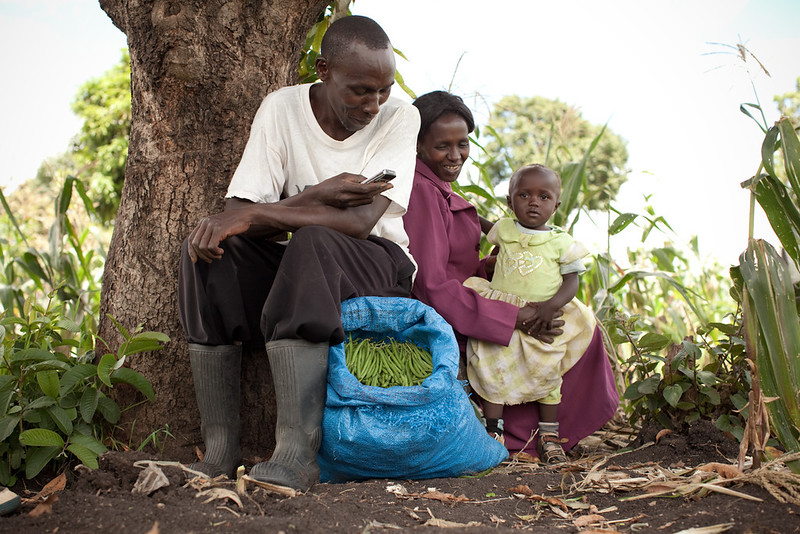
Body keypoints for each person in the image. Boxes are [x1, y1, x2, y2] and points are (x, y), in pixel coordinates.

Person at [177, 16, 420, 491]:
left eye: (383, 90)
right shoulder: (282, 108)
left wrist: (271, 213)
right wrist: (317, 196)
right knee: (210, 252)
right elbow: (237, 212)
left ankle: (296, 453)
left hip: (379, 262)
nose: (374, 105)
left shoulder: (400, 117)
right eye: (359, 91)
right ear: (323, 69)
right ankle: (221, 449)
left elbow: (357, 223)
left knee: (312, 241)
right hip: (302, 262)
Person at [402, 91, 618, 462]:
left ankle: (541, 434)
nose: (455, 156)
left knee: (575, 316)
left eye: (462, 144)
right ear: (418, 144)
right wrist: (514, 317)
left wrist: (511, 270)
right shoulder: (423, 191)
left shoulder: (440, 187)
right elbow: (432, 284)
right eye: (442, 146)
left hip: (475, 297)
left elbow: (464, 256)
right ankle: (523, 435)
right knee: (564, 330)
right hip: (455, 312)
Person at [463, 164, 596, 463]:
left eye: (543, 196)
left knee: (547, 370)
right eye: (524, 194)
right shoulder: (506, 229)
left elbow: (572, 280)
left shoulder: (561, 241)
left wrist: (551, 306)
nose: (533, 201)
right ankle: (492, 434)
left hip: (542, 314)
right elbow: (483, 224)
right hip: (502, 311)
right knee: (491, 364)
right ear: (510, 202)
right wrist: (462, 210)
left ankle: (549, 436)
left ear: (556, 205)